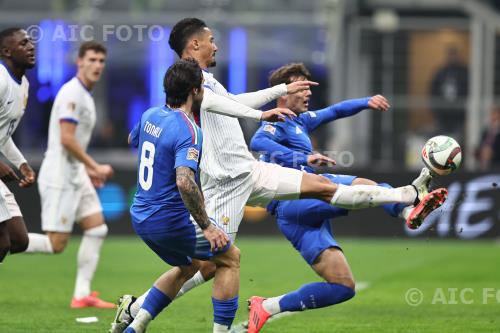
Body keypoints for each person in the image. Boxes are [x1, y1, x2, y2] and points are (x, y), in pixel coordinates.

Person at [111, 18, 448, 330]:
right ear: (194, 44)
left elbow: (233, 100)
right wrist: (262, 116)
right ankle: (137, 313)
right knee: (215, 264)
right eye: (211, 41)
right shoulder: (190, 84)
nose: (216, 46)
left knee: (321, 186)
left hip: (248, 171)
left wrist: (277, 92)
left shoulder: (201, 81)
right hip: (225, 185)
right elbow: (223, 106)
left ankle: (405, 195)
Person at [247, 62, 433, 332]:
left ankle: (267, 307)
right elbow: (258, 142)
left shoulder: (301, 120)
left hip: (300, 214)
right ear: (283, 93)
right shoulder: (277, 119)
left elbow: (335, 110)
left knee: (343, 287)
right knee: (362, 184)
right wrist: (303, 157)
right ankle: (405, 207)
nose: (308, 93)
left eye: (309, 87)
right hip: (294, 201)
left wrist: (366, 101)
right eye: (302, 88)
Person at [118, 58, 240, 333]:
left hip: (140, 216)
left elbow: (131, 139)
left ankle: (134, 324)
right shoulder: (189, 130)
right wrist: (207, 227)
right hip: (167, 220)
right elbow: (185, 182)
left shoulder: (150, 114)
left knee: (189, 267)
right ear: (196, 90)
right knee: (230, 258)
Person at [24, 41, 115, 308]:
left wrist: (87, 169)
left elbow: (75, 141)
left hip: (76, 173)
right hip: (60, 175)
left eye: (101, 61)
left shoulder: (86, 95)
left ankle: (81, 295)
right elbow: (66, 139)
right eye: (92, 60)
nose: (97, 65)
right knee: (56, 244)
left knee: (97, 227)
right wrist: (95, 166)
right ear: (80, 62)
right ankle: (9, 240)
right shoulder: (72, 93)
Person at [0, 27, 37, 262]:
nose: (31, 46)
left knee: (18, 240)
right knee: (2, 242)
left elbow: (3, 134)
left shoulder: (23, 85)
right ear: (7, 51)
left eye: (30, 42)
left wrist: (21, 164)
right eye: (23, 43)